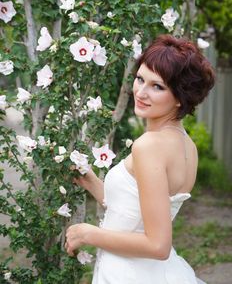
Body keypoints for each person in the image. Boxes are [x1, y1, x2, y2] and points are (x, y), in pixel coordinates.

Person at [65, 34, 215, 283]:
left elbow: (157, 245)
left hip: (129, 273)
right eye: (140, 79)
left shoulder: (149, 146)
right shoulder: (187, 145)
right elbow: (135, 212)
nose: (141, 93)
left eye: (157, 86)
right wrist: (92, 182)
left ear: (180, 96)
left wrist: (86, 234)